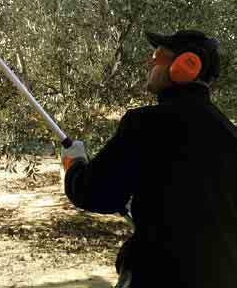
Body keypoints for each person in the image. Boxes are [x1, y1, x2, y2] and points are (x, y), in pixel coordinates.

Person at [61, 30, 237, 288]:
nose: (150, 62)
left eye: (157, 56)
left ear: (186, 65)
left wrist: (74, 164)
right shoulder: (229, 134)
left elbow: (96, 193)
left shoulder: (145, 123)